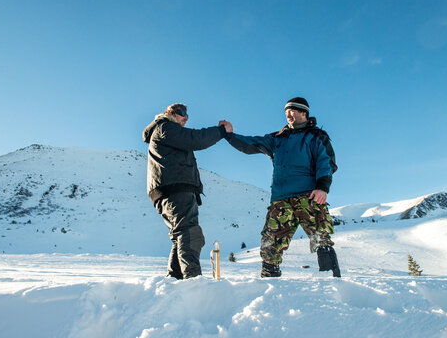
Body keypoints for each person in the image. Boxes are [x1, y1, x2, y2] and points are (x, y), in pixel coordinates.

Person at [219, 97, 340, 277]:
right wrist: (229, 135)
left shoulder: (316, 136)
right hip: (281, 200)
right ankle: (270, 283)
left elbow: (327, 162)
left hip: (309, 197)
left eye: (292, 111)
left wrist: (323, 187)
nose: (288, 115)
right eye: (286, 112)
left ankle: (332, 283)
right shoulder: (277, 138)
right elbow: (250, 144)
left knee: (321, 238)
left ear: (303, 113)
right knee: (271, 243)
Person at [143, 103, 231, 279]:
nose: (185, 117)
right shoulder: (166, 127)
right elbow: (195, 138)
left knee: (181, 236)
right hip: (175, 188)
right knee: (190, 233)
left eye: (187, 114)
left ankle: (174, 281)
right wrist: (220, 131)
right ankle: (193, 281)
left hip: (170, 188)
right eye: (182, 113)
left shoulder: (166, 131)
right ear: (170, 113)